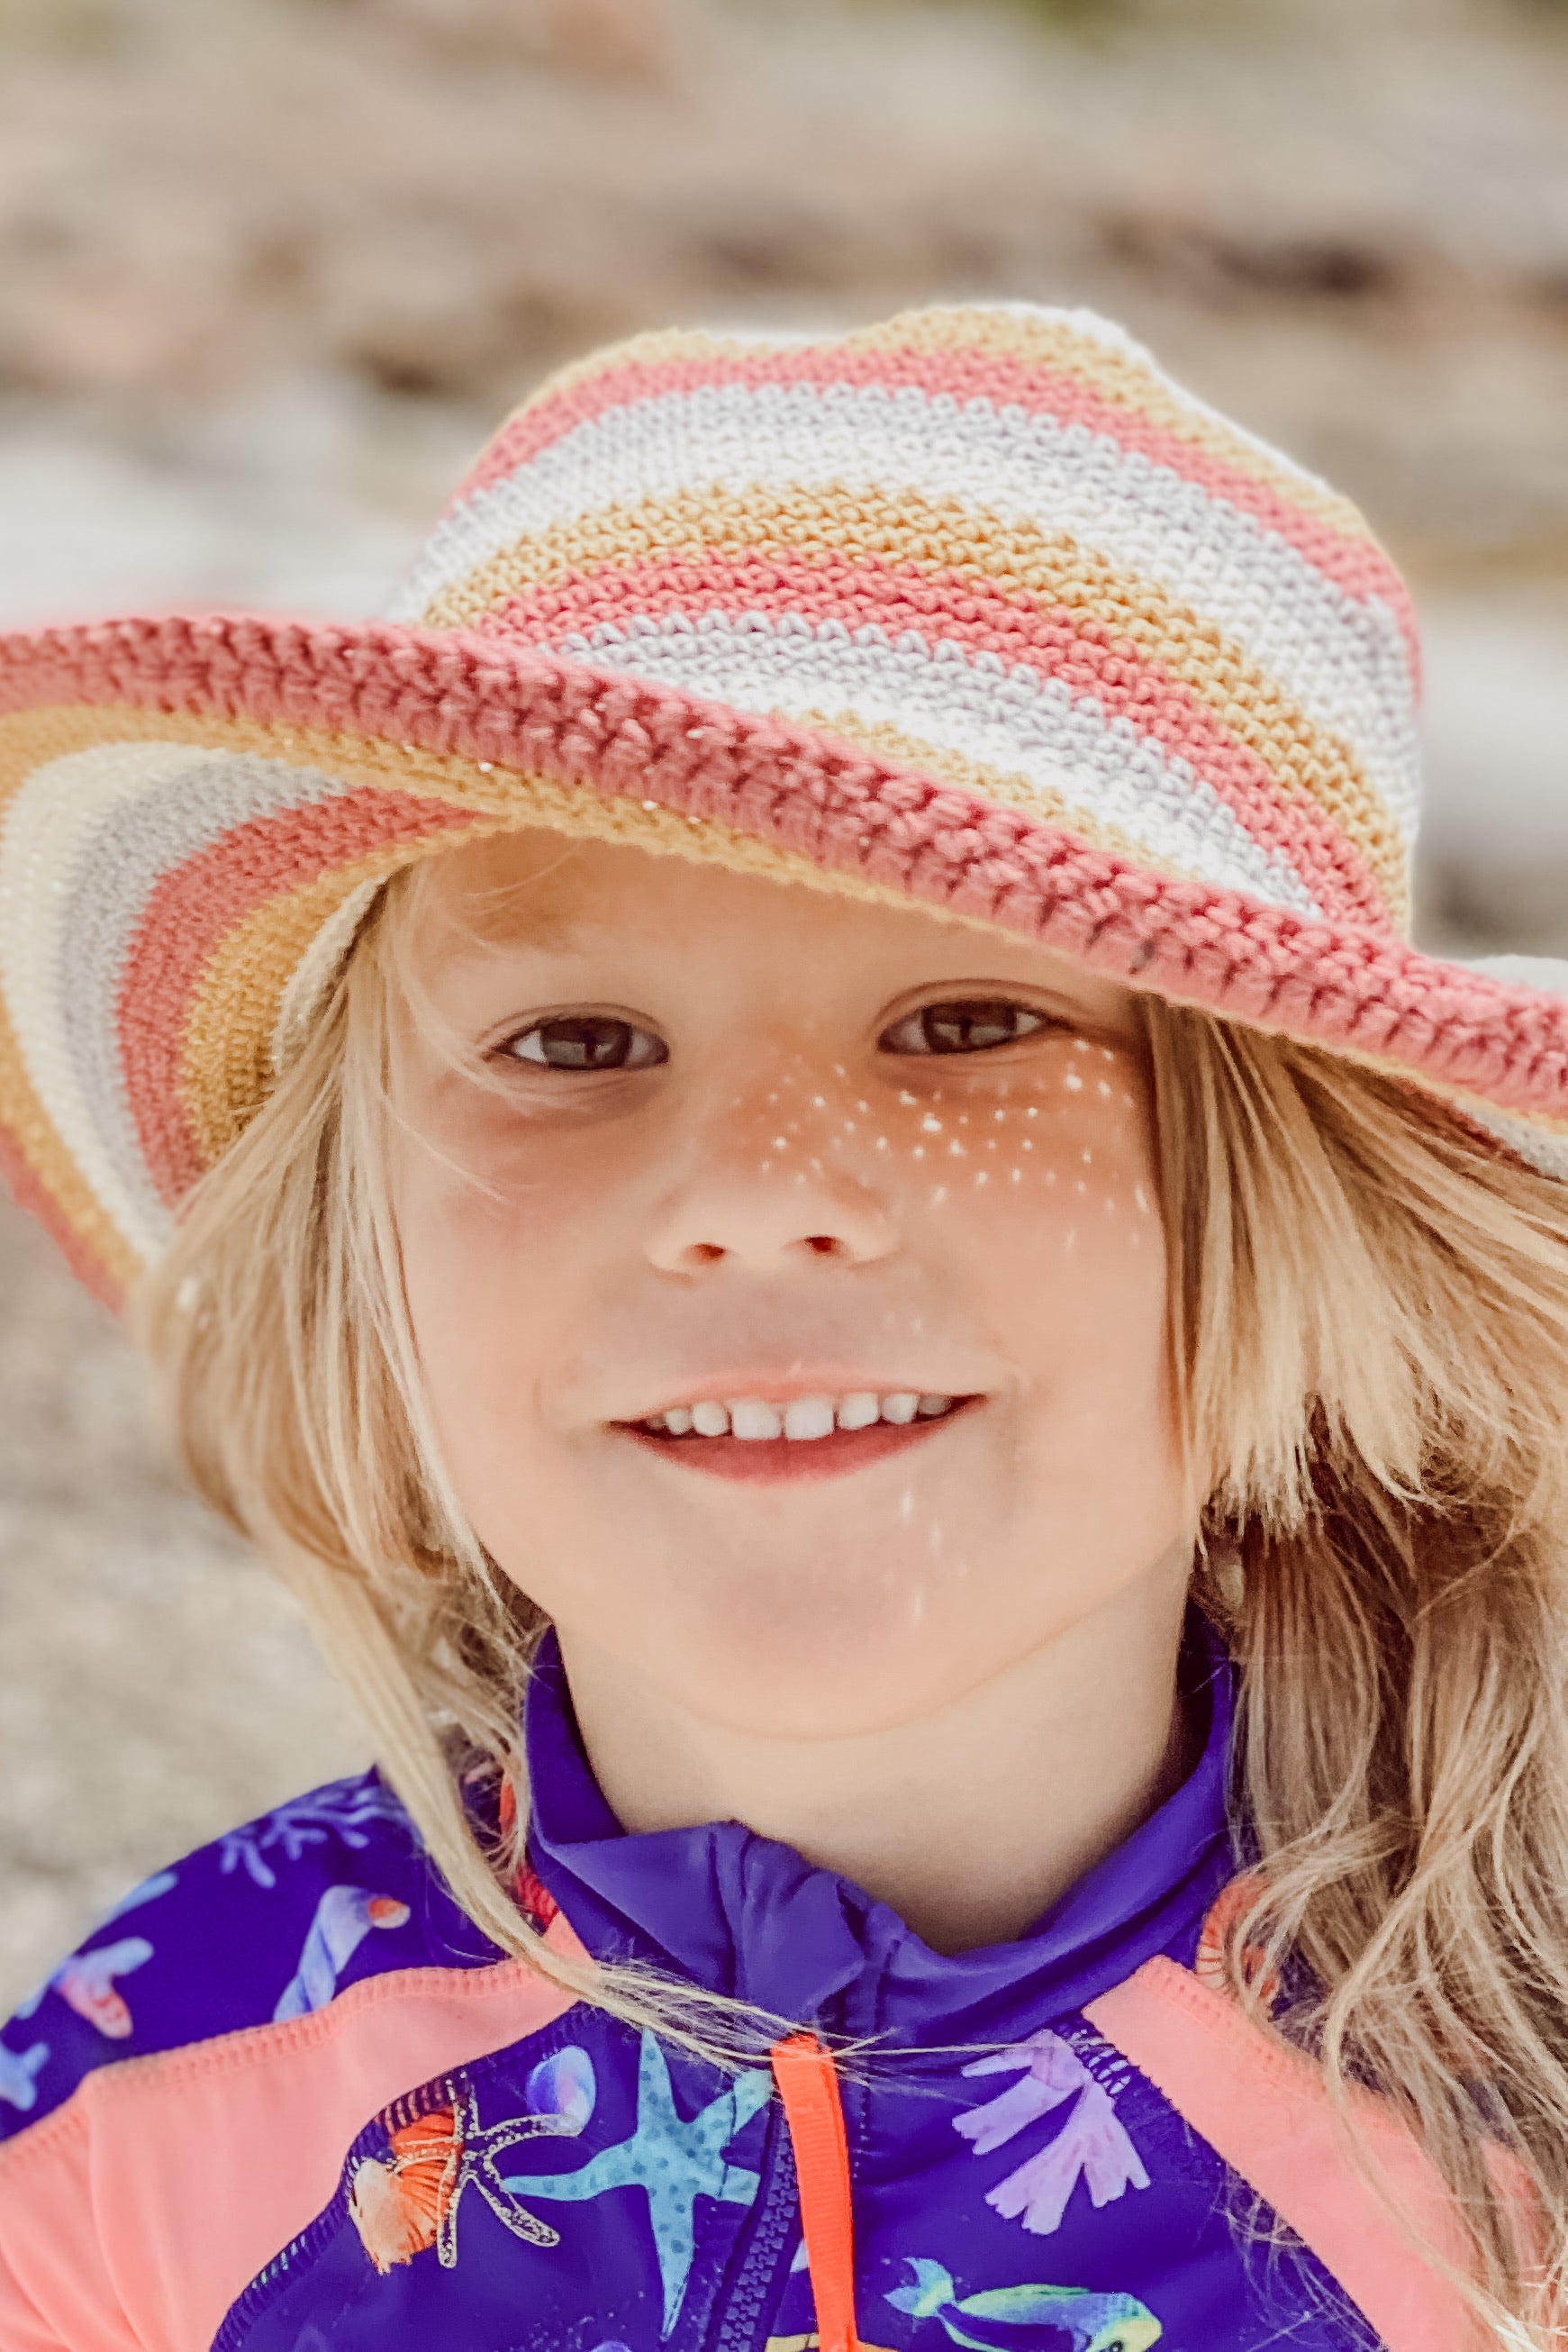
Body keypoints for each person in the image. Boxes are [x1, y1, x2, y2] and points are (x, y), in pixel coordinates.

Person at [0, 300, 1563, 2352]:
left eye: (970, 1020)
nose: (750, 1194)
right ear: (354, 1246)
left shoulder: (1507, 2157)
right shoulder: (128, 2126)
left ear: (1295, 1209)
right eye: (574, 1043)